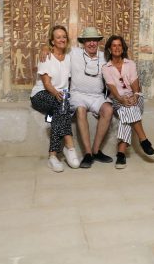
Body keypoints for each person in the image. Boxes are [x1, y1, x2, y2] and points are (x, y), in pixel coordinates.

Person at [41, 27, 115, 168]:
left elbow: (120, 60)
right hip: (77, 95)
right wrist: (45, 48)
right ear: (83, 43)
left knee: (108, 110)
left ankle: (96, 151)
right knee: (81, 109)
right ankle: (87, 154)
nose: (92, 43)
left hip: (97, 96)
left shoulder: (105, 56)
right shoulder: (74, 53)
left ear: (98, 42)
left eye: (95, 40)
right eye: (88, 41)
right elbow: (57, 47)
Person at [30, 25, 80, 172]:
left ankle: (53, 156)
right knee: (61, 103)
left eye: (64, 36)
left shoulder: (69, 58)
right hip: (41, 95)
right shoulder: (46, 57)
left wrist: (62, 95)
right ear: (52, 41)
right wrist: (58, 94)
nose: (62, 39)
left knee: (59, 109)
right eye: (58, 37)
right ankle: (69, 147)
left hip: (58, 99)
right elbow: (46, 84)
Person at [102, 35, 154, 169]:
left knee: (128, 111)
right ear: (109, 48)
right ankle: (144, 140)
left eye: (119, 45)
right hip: (117, 100)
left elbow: (135, 85)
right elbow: (112, 89)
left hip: (135, 97)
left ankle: (121, 154)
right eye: (114, 45)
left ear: (123, 48)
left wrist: (135, 97)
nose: (117, 48)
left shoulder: (130, 64)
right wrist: (121, 99)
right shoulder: (106, 68)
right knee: (127, 109)